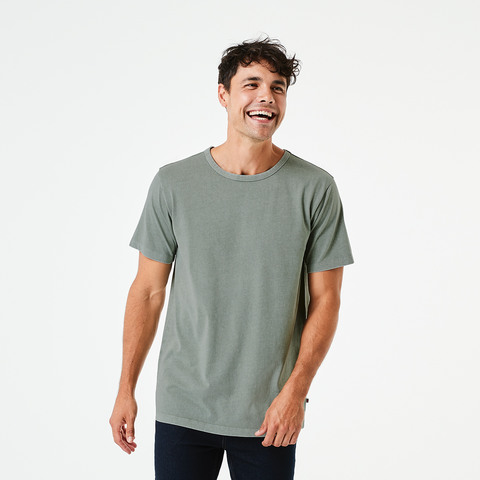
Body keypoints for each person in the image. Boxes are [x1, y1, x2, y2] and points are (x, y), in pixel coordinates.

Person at [109, 35, 354, 480]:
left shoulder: (315, 188)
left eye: (278, 87)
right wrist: (126, 388)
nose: (267, 97)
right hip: (184, 405)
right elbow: (147, 291)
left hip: (270, 412)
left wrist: (295, 393)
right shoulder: (174, 183)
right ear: (223, 95)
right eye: (252, 84)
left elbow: (327, 300)